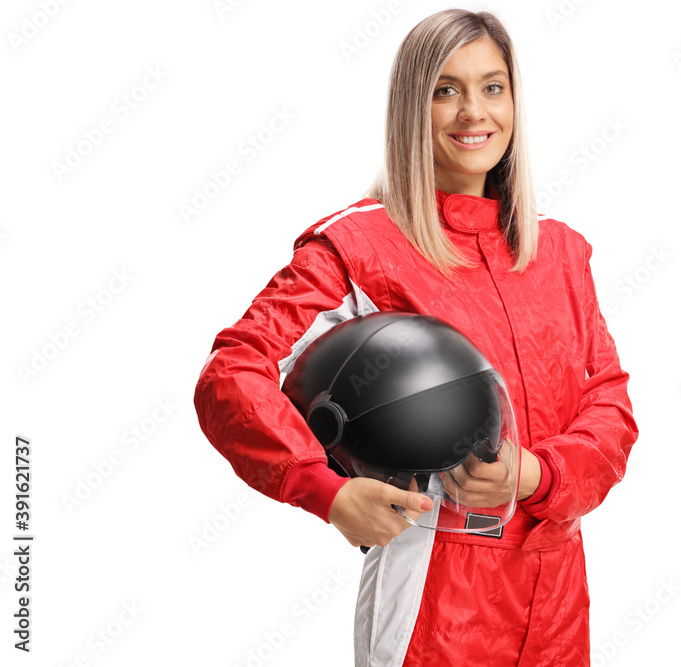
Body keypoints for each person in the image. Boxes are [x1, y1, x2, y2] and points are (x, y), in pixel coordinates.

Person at [193, 8, 638, 666]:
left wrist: (538, 473)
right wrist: (328, 490)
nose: (472, 113)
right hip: (434, 601)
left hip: (558, 600)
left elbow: (611, 410)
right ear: (412, 107)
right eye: (445, 89)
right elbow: (232, 373)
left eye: (492, 86)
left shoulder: (559, 253)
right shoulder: (358, 245)